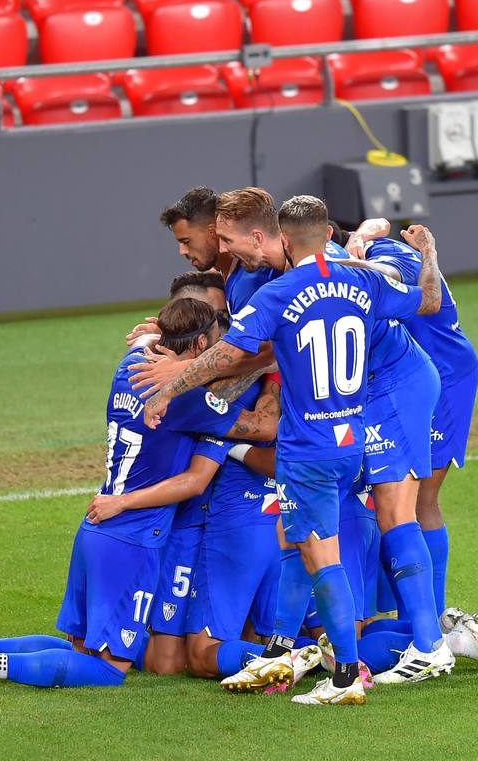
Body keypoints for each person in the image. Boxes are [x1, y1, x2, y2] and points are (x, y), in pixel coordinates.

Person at [143, 196, 442, 706]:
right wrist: (430, 255)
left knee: (320, 553)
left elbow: (230, 352)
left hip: (308, 446)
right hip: (352, 433)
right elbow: (427, 301)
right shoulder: (363, 278)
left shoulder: (278, 293)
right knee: (294, 538)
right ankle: (284, 643)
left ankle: (347, 676)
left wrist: (171, 387)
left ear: (281, 239)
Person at [0, 299, 277, 692]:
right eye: (215, 349)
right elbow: (263, 428)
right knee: (109, 669)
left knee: (81, 651)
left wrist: (155, 334)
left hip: (96, 531)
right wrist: (268, 368)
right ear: (201, 344)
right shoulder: (188, 401)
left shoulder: (129, 366)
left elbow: (150, 342)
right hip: (133, 538)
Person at [334, 226, 478, 679]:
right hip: (419, 374)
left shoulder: (387, 253)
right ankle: (428, 625)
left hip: (439, 376)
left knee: (414, 501)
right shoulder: (372, 241)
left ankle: (430, 633)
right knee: (402, 501)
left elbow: (413, 284)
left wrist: (344, 260)